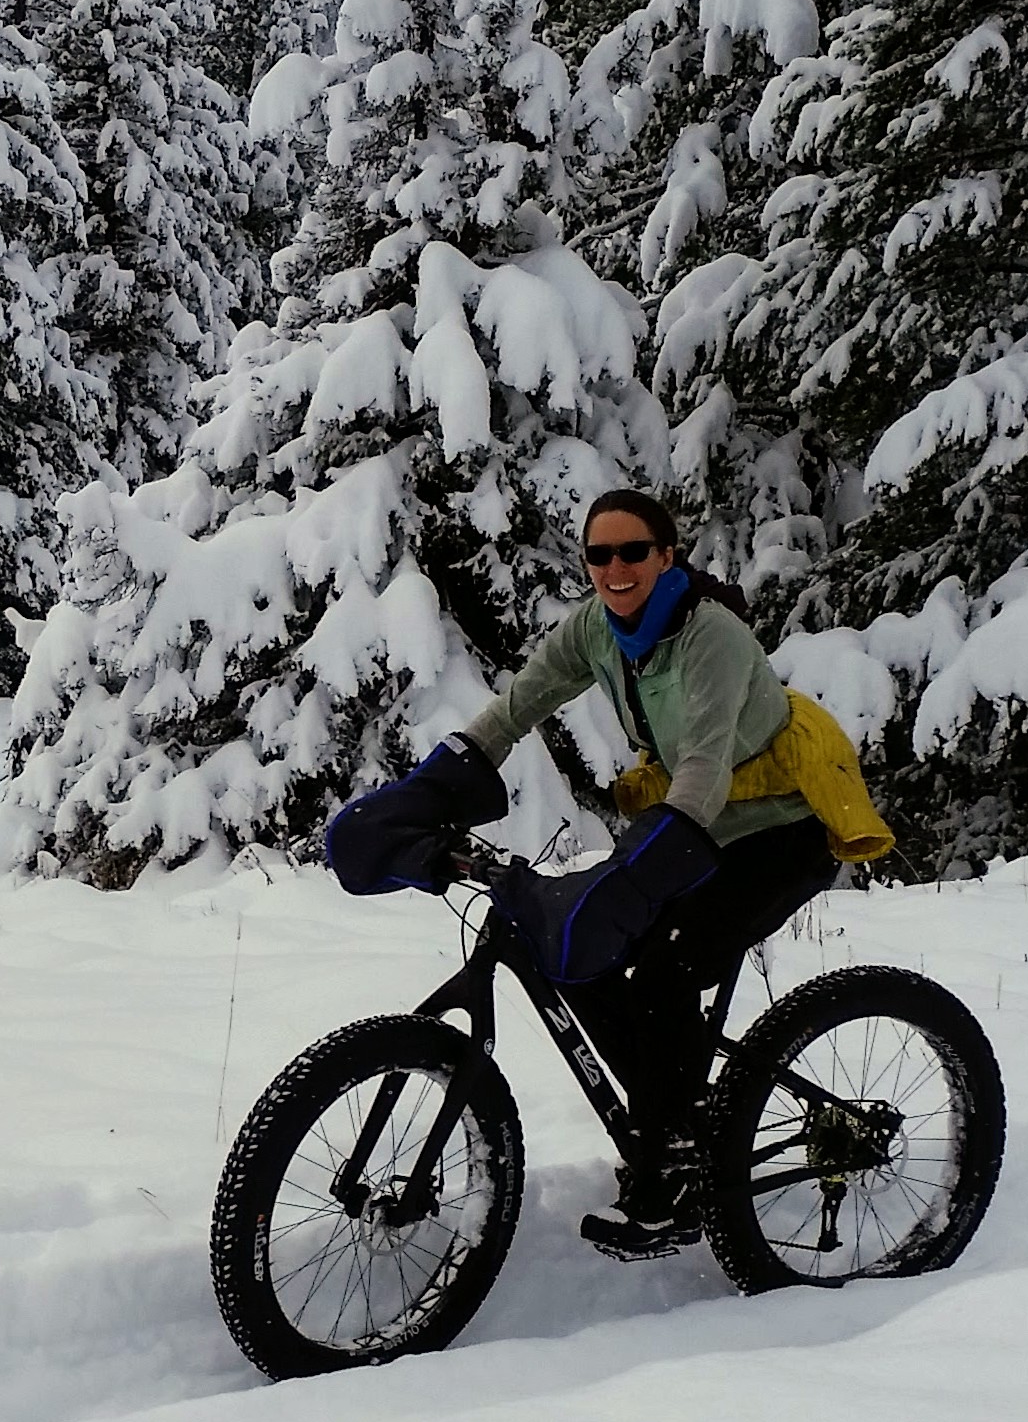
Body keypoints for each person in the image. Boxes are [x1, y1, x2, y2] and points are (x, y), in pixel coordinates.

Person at [330, 492, 844, 1260]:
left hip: (776, 833)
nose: (615, 568)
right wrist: (428, 792)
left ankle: (671, 1162)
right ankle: (671, 1110)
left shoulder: (714, 639)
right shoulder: (597, 631)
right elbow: (513, 710)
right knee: (567, 944)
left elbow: (702, 769)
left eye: (632, 551)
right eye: (598, 555)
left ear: (667, 555)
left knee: (664, 965)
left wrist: (643, 876)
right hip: (692, 825)